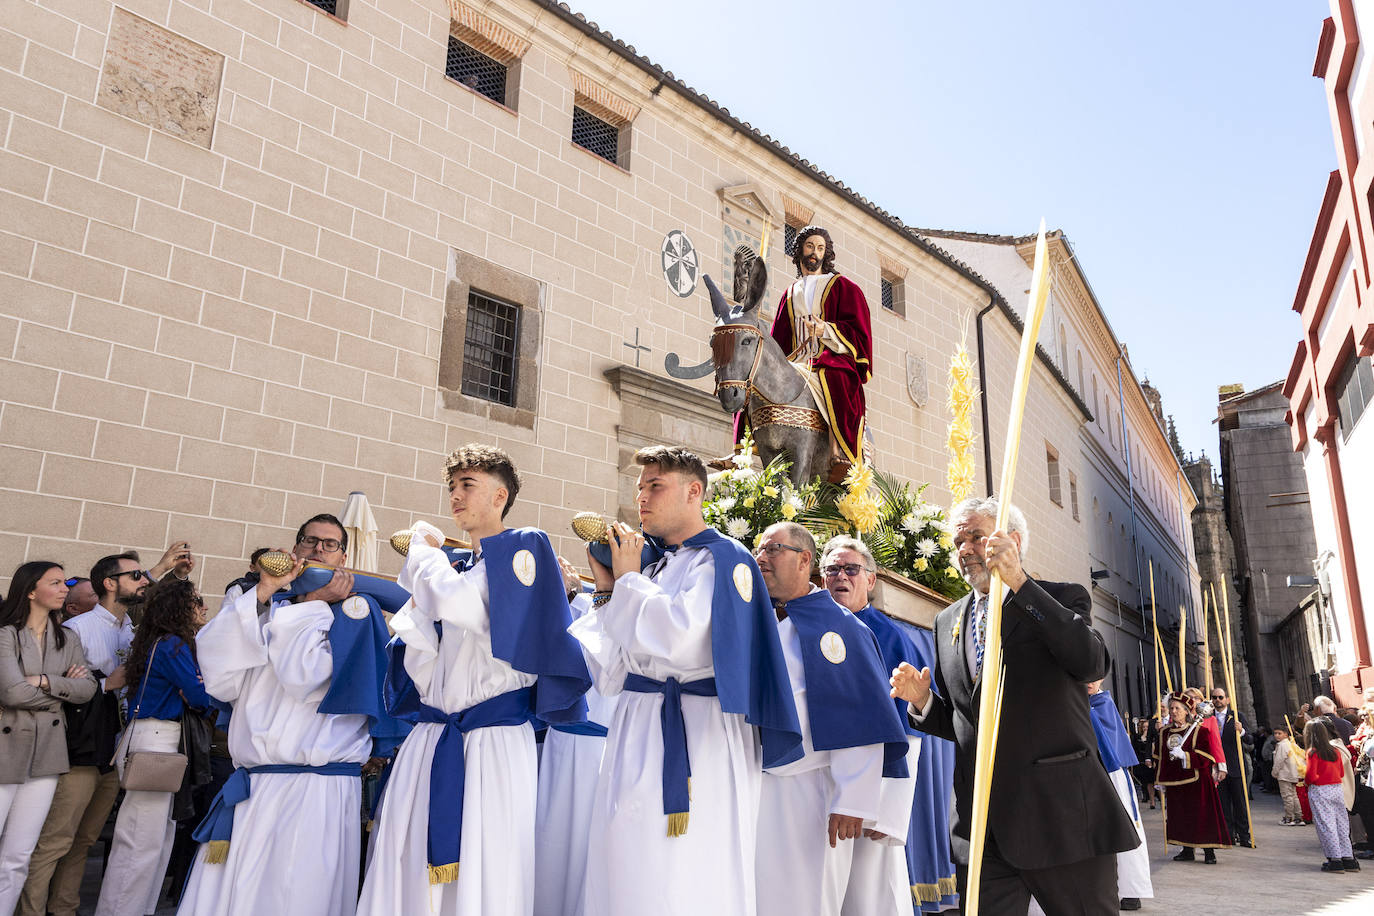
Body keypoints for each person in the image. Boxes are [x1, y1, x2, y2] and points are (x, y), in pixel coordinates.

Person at [357, 445, 592, 914]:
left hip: (492, 741)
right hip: (433, 735)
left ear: (500, 496)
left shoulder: (525, 548)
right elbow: (420, 650)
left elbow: (457, 604)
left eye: (468, 485)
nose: (455, 497)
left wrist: (424, 554)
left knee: (488, 862)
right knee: (407, 858)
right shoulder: (462, 567)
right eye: (451, 487)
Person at [568, 445, 802, 916]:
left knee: (683, 870)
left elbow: (679, 639)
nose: (642, 499)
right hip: (636, 729)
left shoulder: (723, 559)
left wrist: (628, 582)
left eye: (656, 486)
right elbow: (612, 674)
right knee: (626, 858)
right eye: (639, 488)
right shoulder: (655, 565)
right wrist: (608, 591)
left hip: (696, 734)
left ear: (694, 492)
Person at [889, 496, 1137, 914]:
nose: (964, 549)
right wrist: (923, 703)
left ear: (1013, 542)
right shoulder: (947, 620)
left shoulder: (1062, 598)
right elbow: (968, 723)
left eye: (976, 537)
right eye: (957, 541)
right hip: (983, 826)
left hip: (1061, 817)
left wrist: (1020, 582)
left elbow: (1090, 661)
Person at [178, 513, 399, 916]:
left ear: (342, 559)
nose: (318, 549)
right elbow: (218, 677)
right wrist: (262, 593)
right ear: (295, 549)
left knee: (297, 896)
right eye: (310, 541)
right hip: (255, 786)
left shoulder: (356, 612)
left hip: (317, 789)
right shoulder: (262, 605)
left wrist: (312, 606)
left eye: (329, 544)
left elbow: (307, 678)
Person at [753, 524, 908, 916]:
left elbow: (858, 712)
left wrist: (852, 798)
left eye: (773, 549)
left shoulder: (840, 627)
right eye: (758, 549)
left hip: (811, 792)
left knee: (808, 900)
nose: (761, 558)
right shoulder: (759, 618)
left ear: (805, 560)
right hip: (753, 782)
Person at [20, 550, 152, 916]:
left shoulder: (129, 629)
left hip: (113, 747)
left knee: (85, 840)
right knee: (55, 840)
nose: (144, 581)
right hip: (78, 748)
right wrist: (106, 681)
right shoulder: (79, 628)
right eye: (135, 576)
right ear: (110, 584)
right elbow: (61, 688)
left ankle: (63, 908)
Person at [817, 536, 934, 916]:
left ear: (871, 580)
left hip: (874, 791)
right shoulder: (806, 626)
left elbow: (909, 728)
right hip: (820, 784)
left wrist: (891, 810)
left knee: (872, 892)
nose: (841, 577)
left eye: (852, 569)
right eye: (832, 569)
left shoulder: (891, 636)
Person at [94, 578, 213, 916]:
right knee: (142, 840)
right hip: (156, 740)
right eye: (197, 600)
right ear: (180, 607)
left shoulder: (158, 642)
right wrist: (198, 688)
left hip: (154, 738)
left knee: (154, 838)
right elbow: (200, 696)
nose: (203, 606)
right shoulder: (173, 644)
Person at [735, 225, 872, 481]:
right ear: (800, 251)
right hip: (795, 361)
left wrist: (825, 329)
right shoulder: (790, 293)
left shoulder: (843, 287)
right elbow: (779, 338)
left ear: (826, 254)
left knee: (837, 381)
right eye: (810, 246)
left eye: (820, 248)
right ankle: (741, 452)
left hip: (830, 358)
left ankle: (840, 452)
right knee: (750, 381)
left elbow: (859, 331)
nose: (815, 253)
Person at [0, 563, 96, 911]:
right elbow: (11, 693)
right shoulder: (6, 634)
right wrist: (60, 693)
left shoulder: (67, 637)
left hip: (47, 754)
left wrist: (42, 681)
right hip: (5, 748)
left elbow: (87, 690)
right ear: (29, 591)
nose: (63, 589)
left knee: (19, 854)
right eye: (54, 583)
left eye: (63, 583)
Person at [1085, 681, 1151, 911]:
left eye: (1095, 677)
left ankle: (1131, 889)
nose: (1090, 682)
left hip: (1112, 775)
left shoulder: (1103, 703)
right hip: (1088, 777)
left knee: (1124, 829)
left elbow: (1109, 742)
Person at [1154, 693, 1230, 864]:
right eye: (1171, 708)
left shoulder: (1199, 731)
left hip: (1198, 781)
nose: (1173, 711)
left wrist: (1185, 755)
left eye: (1177, 708)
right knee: (1180, 817)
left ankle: (1209, 852)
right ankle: (1186, 850)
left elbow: (1207, 757)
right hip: (1174, 782)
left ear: (1187, 711)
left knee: (1202, 816)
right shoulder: (1164, 733)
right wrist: (1160, 781)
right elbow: (1161, 759)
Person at [1303, 718, 1359, 872]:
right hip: (1336, 788)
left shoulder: (1313, 752)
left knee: (1326, 825)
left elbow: (1311, 776)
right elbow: (1340, 772)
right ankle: (1348, 858)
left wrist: (1306, 781)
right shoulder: (1335, 750)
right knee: (1341, 823)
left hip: (1320, 789)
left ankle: (1335, 859)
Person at [1209, 687, 1252, 846]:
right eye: (1214, 697)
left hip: (1235, 766)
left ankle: (1244, 835)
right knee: (1223, 804)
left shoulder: (1237, 716)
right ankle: (1228, 835)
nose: (1217, 700)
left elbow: (1250, 739)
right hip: (1217, 768)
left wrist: (1241, 731)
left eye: (1220, 697)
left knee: (1240, 803)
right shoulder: (1209, 717)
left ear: (1227, 699)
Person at [1271, 725, 1302, 826]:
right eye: (1275, 733)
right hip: (1293, 773)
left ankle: (1289, 818)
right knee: (1294, 796)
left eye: (1279, 733)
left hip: (1284, 774)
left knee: (1287, 796)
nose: (1277, 735)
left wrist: (1274, 772)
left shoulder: (1282, 745)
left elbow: (1279, 760)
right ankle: (1298, 817)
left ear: (1286, 734)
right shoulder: (1290, 743)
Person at [1131, 717, 1158, 810]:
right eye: (1144, 727)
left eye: (1147, 727)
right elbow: (1137, 748)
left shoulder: (1155, 735)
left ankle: (1162, 798)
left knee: (1157, 781)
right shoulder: (1139, 737)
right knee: (1149, 782)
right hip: (1146, 762)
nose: (1146, 728)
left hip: (1156, 760)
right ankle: (1152, 801)